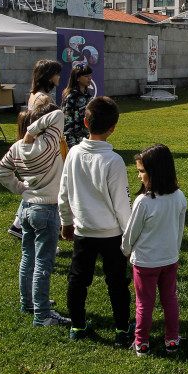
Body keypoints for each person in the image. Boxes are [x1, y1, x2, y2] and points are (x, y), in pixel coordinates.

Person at [58, 96, 134, 347]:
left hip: (83, 230)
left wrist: (66, 222)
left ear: (84, 122)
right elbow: (123, 205)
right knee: (116, 283)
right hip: (110, 233)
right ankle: (122, 330)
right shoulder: (113, 161)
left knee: (78, 279)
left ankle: (78, 325)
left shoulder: (73, 154)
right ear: (113, 127)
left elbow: (64, 192)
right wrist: (130, 238)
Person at [0, 104, 70, 327]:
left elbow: (0, 172)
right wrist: (31, 132)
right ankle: (43, 314)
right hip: (46, 210)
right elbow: (57, 115)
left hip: (26, 207)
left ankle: (28, 302)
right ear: (44, 125)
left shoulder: (18, 147)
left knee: (28, 258)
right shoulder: (48, 142)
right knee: (43, 264)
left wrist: (21, 189)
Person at [122, 144, 187, 357]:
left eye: (141, 171)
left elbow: (131, 233)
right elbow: (179, 229)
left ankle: (141, 342)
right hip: (170, 259)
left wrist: (125, 250)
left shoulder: (144, 202)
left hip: (145, 263)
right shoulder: (179, 197)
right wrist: (174, 251)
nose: (139, 176)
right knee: (170, 299)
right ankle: (172, 340)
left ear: (155, 172)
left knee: (144, 303)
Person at [7, 59, 64, 239]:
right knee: (44, 185)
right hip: (44, 146)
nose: (59, 77)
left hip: (36, 144)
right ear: (48, 76)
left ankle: (18, 224)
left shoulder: (34, 94)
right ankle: (26, 225)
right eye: (56, 73)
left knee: (35, 185)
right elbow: (42, 123)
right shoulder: (44, 98)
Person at [61, 62, 94, 148]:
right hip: (74, 140)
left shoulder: (87, 95)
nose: (89, 78)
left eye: (89, 75)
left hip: (87, 138)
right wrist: (71, 143)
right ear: (77, 78)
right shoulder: (71, 97)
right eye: (86, 76)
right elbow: (67, 122)